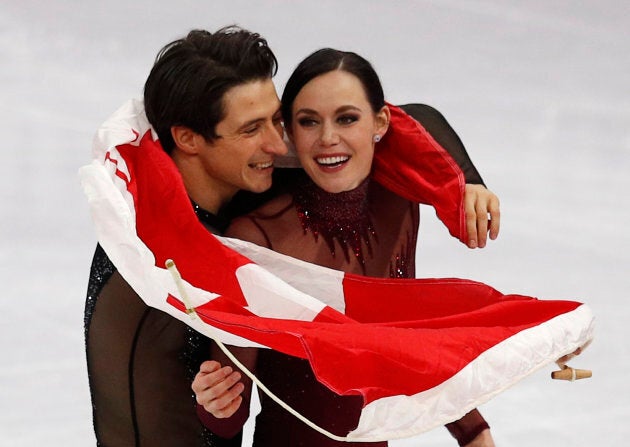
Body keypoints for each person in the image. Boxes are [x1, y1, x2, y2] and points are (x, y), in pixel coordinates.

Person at [191, 49, 499, 446]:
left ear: (380, 122)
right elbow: (229, 420)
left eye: (347, 118)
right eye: (309, 122)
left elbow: (402, 340)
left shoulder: (396, 204)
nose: (328, 139)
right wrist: (214, 400)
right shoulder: (258, 238)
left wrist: (473, 429)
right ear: (288, 132)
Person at [84, 27, 287, 447]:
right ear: (188, 138)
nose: (279, 144)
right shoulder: (153, 266)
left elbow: (387, 118)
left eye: (278, 120)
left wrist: (462, 181)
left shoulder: (226, 191)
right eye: (251, 130)